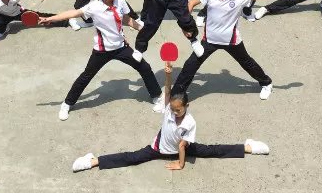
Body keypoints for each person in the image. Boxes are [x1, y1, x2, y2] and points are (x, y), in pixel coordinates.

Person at [71, 60, 269, 172]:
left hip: (179, 149)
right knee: (132, 157)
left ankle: (248, 147)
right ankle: (94, 160)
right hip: (158, 148)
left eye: (178, 110)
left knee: (213, 150)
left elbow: (182, 146)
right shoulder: (169, 108)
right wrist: (168, 74)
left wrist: (180, 164)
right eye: (172, 109)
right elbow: (167, 90)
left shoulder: (189, 122)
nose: (174, 112)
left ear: (187, 106)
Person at [40, 0, 162, 121]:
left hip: (121, 47)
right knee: (86, 76)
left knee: (144, 67)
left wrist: (140, 28)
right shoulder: (94, 7)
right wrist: (50, 19)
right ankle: (67, 104)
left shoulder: (120, 1)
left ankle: (156, 96)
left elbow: (125, 18)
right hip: (102, 50)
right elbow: (73, 13)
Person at [172, 0, 295, 98]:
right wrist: (186, 23)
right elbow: (192, 2)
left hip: (231, 41)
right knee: (190, 65)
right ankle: (176, 95)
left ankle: (266, 83)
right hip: (209, 40)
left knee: (247, 63)